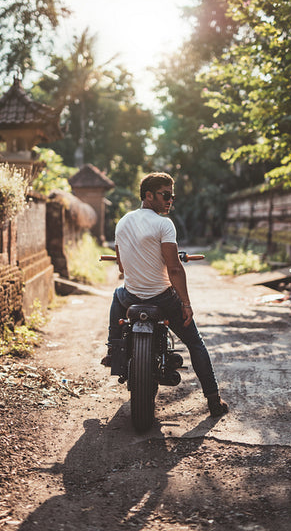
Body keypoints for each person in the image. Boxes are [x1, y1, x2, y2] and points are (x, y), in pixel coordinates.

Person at [102, 172, 228, 418]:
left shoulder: (123, 222)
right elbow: (173, 268)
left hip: (131, 298)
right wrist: (186, 303)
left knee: (118, 293)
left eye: (172, 196)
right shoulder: (163, 224)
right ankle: (213, 400)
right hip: (162, 299)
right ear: (148, 196)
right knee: (195, 343)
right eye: (165, 195)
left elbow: (121, 267)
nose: (170, 200)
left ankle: (112, 347)